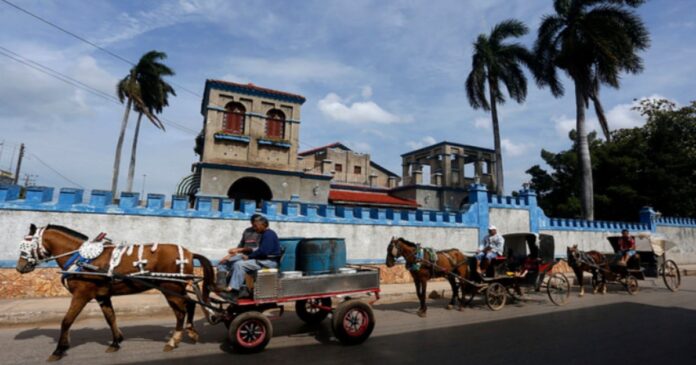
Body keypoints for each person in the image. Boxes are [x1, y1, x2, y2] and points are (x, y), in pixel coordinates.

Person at [221, 215, 281, 303]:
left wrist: (249, 257)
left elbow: (263, 252)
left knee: (240, 264)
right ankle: (238, 288)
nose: (254, 228)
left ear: (263, 225)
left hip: (269, 262)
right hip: (263, 260)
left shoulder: (269, 235)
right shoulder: (265, 234)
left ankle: (234, 292)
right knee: (237, 263)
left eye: (256, 226)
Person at [216, 214, 262, 289]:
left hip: (253, 257)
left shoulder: (262, 233)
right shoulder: (247, 231)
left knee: (237, 265)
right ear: (251, 223)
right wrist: (230, 255)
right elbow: (241, 245)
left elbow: (259, 249)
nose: (256, 225)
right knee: (222, 263)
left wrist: (240, 250)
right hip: (242, 255)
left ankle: (234, 289)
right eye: (254, 223)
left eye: (257, 223)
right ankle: (221, 286)